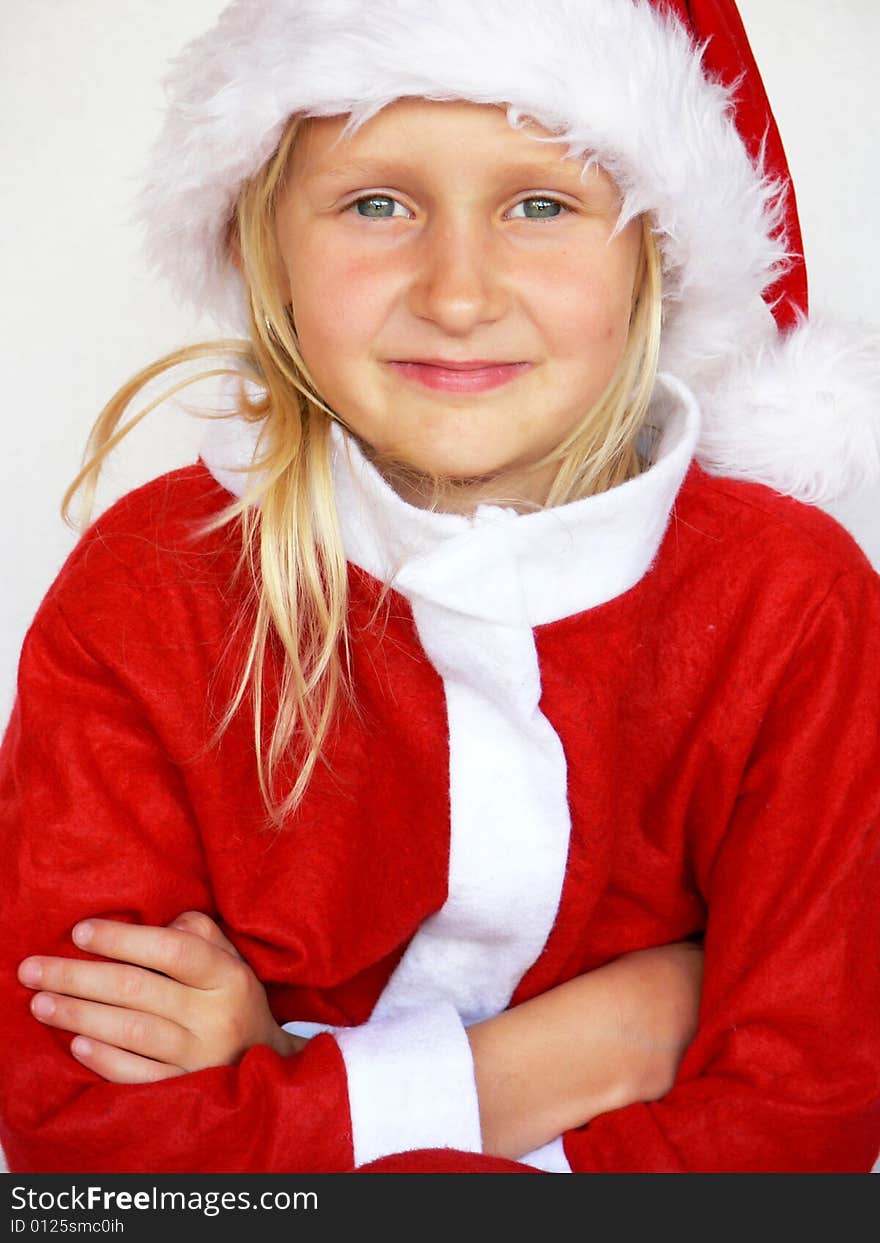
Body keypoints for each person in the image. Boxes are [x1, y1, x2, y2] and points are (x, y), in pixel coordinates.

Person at [1, 0, 879, 1174]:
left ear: (656, 251)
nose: (457, 295)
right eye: (376, 204)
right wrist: (588, 1054)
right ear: (266, 246)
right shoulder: (148, 586)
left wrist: (285, 1076)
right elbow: (83, 1143)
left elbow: (803, 1121)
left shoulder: (794, 604)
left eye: (540, 204)